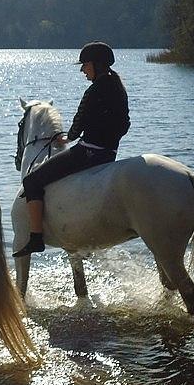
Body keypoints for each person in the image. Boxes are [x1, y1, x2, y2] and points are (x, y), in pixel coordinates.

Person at [13, 41, 130, 257]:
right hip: (109, 154)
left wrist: (68, 138)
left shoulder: (94, 90)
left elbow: (79, 123)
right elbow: (125, 125)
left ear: (96, 64)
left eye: (85, 64)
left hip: (87, 153)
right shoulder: (119, 88)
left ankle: (36, 237)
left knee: (31, 181)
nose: (82, 70)